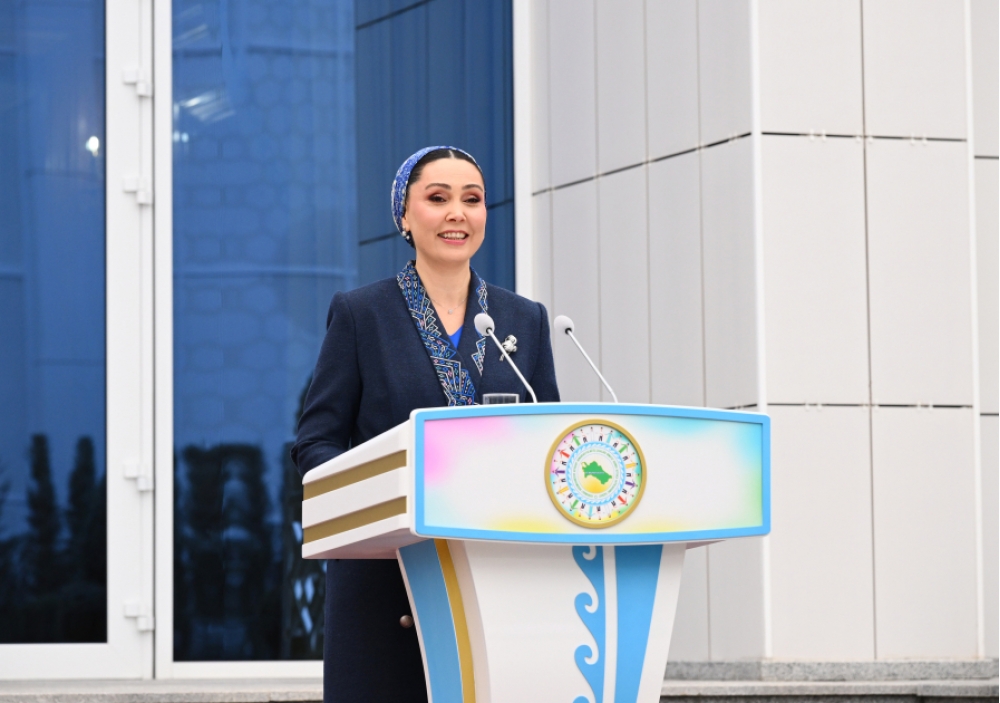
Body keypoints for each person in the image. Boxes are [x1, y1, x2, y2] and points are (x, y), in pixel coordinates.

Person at [291, 146, 560, 702]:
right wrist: (376, 501)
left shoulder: (523, 319)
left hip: (497, 577)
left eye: (472, 199)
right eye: (438, 198)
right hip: (386, 578)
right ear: (405, 217)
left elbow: (548, 442)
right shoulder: (362, 314)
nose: (457, 213)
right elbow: (316, 442)